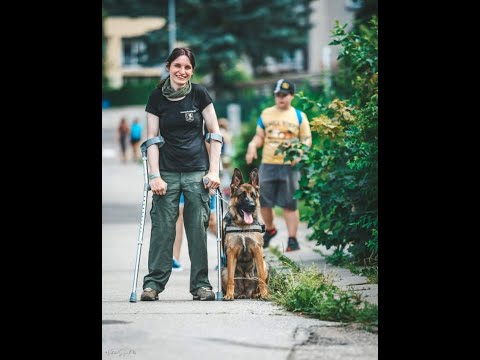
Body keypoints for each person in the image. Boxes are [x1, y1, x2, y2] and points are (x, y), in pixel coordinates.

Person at [141, 47, 222, 301]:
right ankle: (153, 285)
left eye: (187, 67)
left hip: (197, 172)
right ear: (169, 67)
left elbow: (215, 134)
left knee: (197, 229)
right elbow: (152, 140)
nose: (182, 71)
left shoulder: (200, 94)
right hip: (166, 172)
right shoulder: (156, 98)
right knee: (163, 228)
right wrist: (154, 176)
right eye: (178, 66)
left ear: (192, 70)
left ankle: (201, 286)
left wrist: (214, 170)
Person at [245, 79, 312, 252]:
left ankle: (292, 239)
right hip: (268, 164)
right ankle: (270, 229)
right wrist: (252, 146)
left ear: (291, 96)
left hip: (289, 165)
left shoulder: (299, 116)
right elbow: (259, 136)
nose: (280, 98)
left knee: (289, 204)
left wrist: (300, 152)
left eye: (284, 95)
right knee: (262, 201)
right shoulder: (266, 113)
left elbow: (306, 139)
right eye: (277, 95)